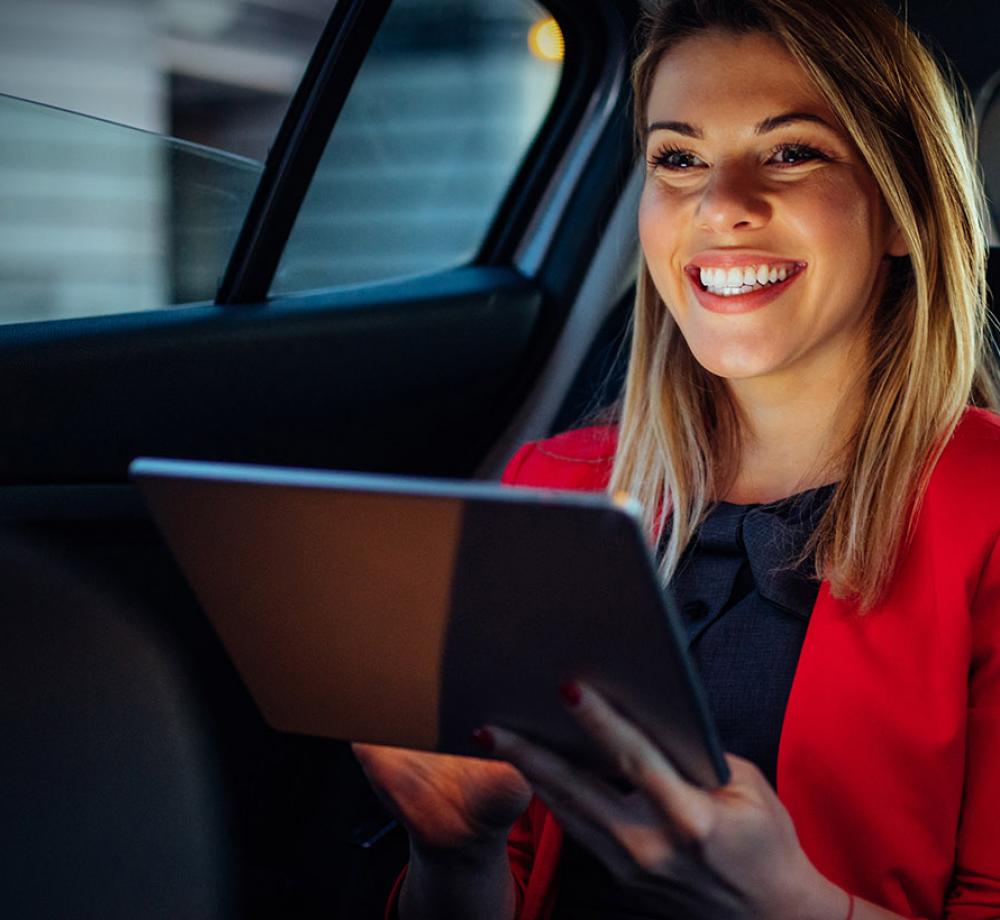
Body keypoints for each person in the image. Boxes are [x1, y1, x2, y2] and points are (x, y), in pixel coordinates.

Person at [354, 0, 1000, 916]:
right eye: (679, 158)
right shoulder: (551, 488)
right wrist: (456, 855)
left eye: (790, 151)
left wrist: (786, 903)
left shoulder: (991, 510)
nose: (721, 203)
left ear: (903, 210)